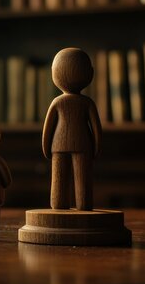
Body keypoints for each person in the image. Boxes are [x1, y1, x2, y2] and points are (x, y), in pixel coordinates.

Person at [42, 48, 102, 211]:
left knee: (59, 178)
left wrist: (46, 147)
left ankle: (59, 204)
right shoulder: (87, 102)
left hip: (58, 145)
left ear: (54, 74)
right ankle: (84, 204)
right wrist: (96, 147)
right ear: (90, 73)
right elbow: (96, 129)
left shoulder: (57, 102)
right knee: (83, 178)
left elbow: (48, 128)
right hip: (83, 144)